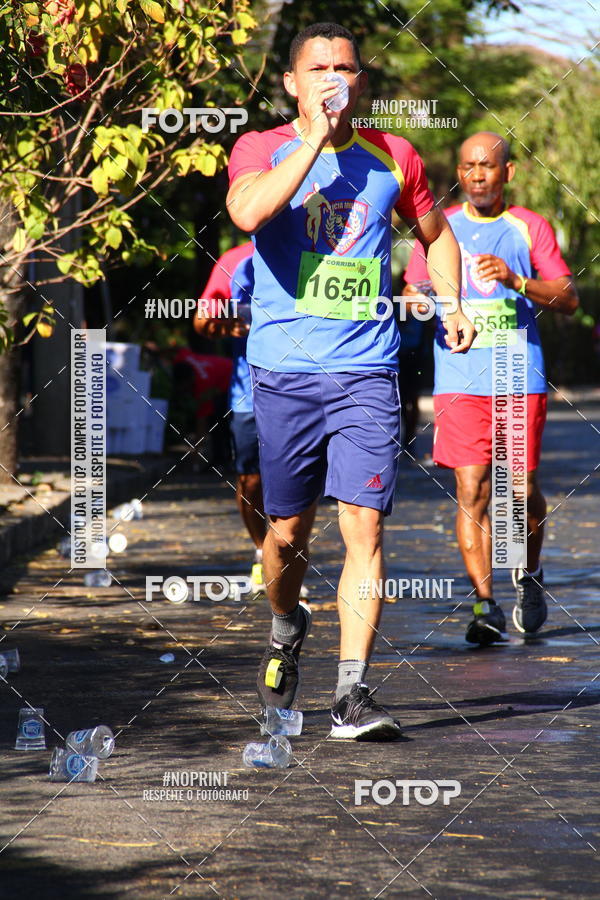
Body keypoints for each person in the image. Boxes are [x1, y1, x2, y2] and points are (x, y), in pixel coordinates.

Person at [226, 21, 475, 739]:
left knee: (363, 523)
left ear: (362, 81)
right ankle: (284, 624)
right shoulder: (259, 148)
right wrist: (311, 138)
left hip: (367, 368)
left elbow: (436, 234)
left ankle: (351, 696)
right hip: (283, 372)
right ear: (292, 83)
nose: (336, 77)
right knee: (287, 535)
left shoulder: (394, 155)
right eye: (320, 68)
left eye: (347, 67)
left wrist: (450, 302)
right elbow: (248, 211)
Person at [404, 131, 578, 646]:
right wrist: (416, 301)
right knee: (472, 490)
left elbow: (567, 297)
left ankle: (528, 571)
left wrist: (516, 281)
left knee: (519, 493)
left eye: (487, 166)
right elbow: (415, 288)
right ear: (457, 173)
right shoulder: (439, 228)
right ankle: (485, 604)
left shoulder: (529, 227)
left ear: (508, 173)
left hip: (516, 376)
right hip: (459, 378)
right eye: (467, 166)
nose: (477, 175)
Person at [193, 242, 268, 594]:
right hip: (249, 394)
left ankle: (286, 557)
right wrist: (224, 325)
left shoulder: (316, 248)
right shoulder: (235, 260)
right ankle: (262, 550)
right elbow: (202, 319)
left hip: (305, 388)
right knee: (250, 481)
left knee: (300, 481)